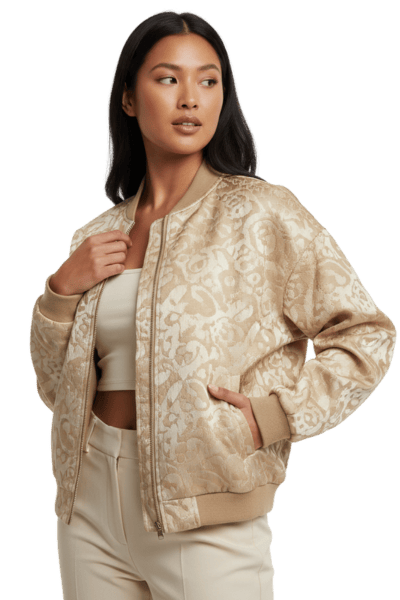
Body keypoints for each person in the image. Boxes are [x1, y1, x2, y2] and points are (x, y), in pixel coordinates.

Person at [28, 8, 398, 600]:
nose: (190, 98)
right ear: (129, 98)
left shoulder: (263, 214)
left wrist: (272, 416)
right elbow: (56, 389)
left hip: (207, 510)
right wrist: (61, 292)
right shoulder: (95, 235)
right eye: (168, 78)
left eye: (208, 80)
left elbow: (367, 334)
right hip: (88, 506)